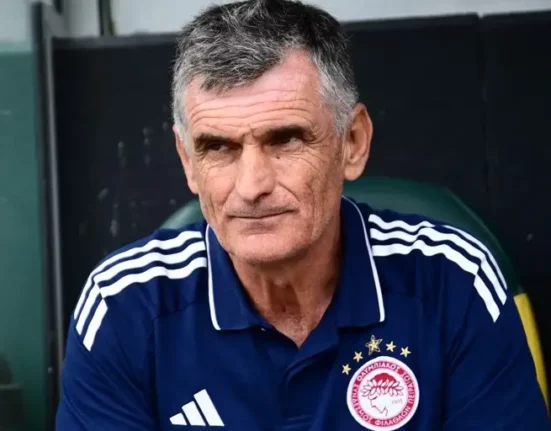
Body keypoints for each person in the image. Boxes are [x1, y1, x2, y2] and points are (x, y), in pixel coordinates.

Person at [56, 0, 550, 429]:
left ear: (352, 142)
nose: (252, 186)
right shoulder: (123, 307)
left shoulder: (453, 281)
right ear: (188, 162)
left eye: (286, 139)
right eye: (219, 148)